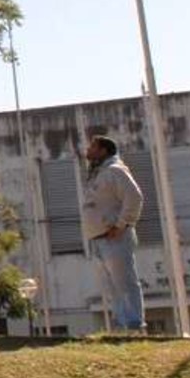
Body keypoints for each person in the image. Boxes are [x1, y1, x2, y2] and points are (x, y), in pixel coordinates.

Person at [82, 135, 146, 333]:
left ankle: (134, 324)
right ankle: (121, 324)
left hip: (115, 236)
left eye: (92, 146)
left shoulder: (115, 170)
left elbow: (134, 197)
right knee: (111, 286)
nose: (88, 150)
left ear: (103, 150)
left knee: (124, 282)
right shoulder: (99, 173)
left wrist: (121, 224)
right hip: (99, 238)